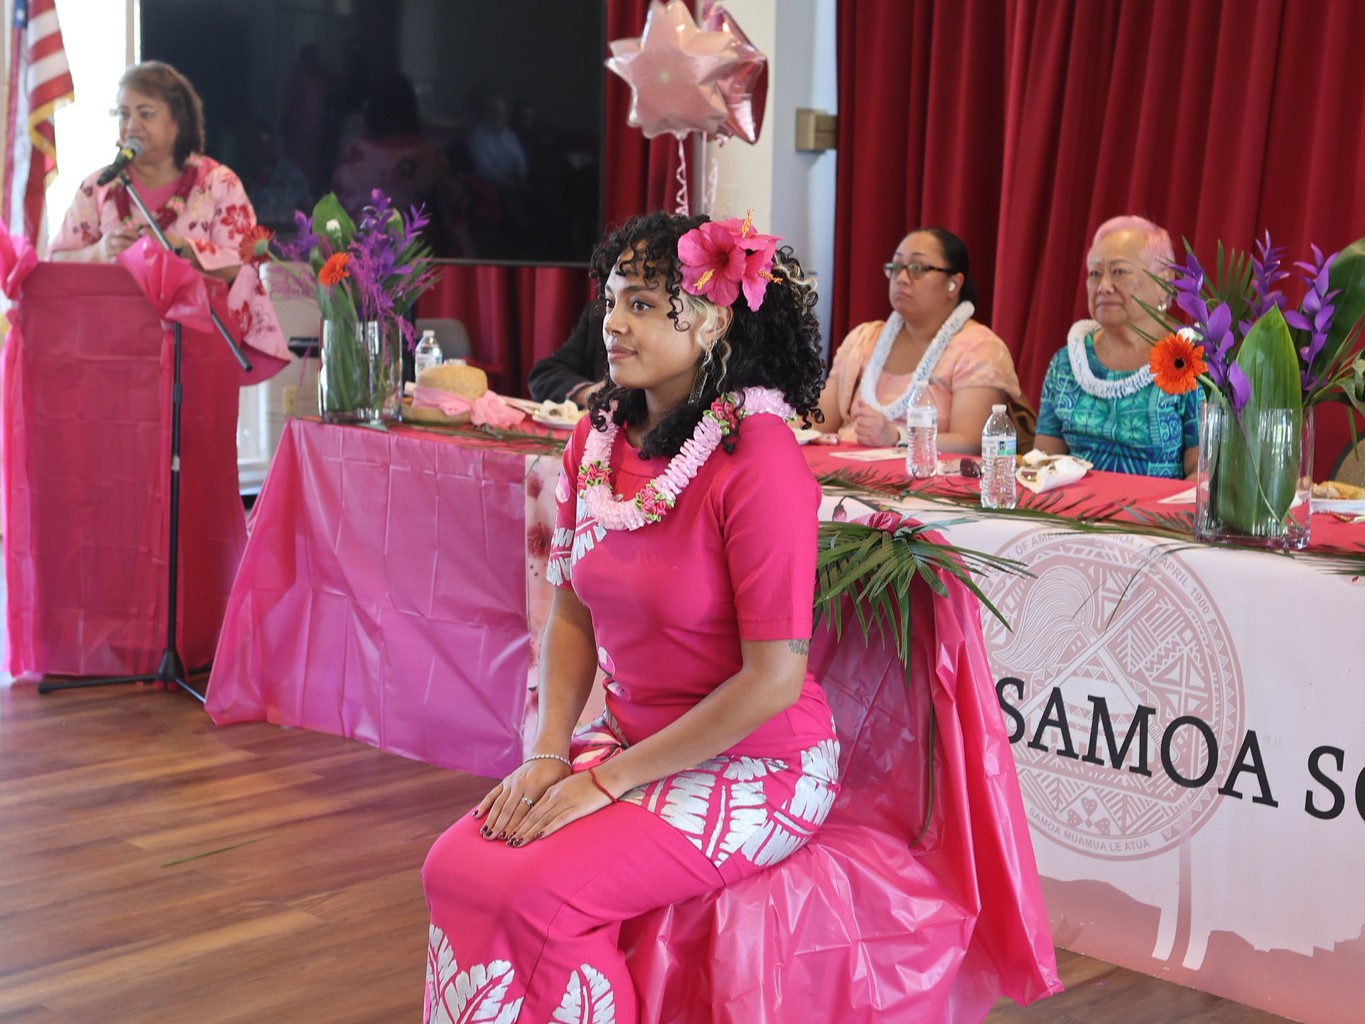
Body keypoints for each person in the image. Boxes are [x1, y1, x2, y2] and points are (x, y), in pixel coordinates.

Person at [422, 211, 838, 1023]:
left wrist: (606, 782)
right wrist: (549, 753)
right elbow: (571, 610)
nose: (612, 322)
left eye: (642, 303)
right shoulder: (595, 437)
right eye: (611, 299)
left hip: (761, 763)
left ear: (712, 320)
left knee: (538, 890)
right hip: (630, 739)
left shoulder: (759, 457)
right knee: (454, 867)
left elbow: (773, 681)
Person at [48, 61, 287, 367]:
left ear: (178, 122)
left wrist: (183, 249)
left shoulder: (218, 184)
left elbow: (246, 264)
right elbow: (54, 262)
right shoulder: (100, 186)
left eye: (145, 114)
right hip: (109, 356)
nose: (131, 125)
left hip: (197, 353)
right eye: (123, 114)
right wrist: (97, 252)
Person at [817, 227, 1022, 452]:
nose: (902, 278)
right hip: (840, 470)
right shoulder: (863, 339)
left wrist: (898, 436)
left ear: (953, 284)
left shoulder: (980, 348)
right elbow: (819, 422)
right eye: (896, 267)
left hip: (926, 474)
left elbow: (972, 443)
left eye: (917, 268)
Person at [1035, 215, 1201, 477]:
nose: (1103, 287)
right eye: (1095, 273)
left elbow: (1202, 475)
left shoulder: (1191, 359)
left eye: (1119, 271)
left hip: (1160, 505)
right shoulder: (1068, 362)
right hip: (1073, 504)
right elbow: (1043, 465)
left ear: (1164, 282)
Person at [527, 301, 607, 405]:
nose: (610, 326)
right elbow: (543, 375)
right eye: (610, 303)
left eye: (635, 305)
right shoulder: (598, 314)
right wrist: (590, 394)